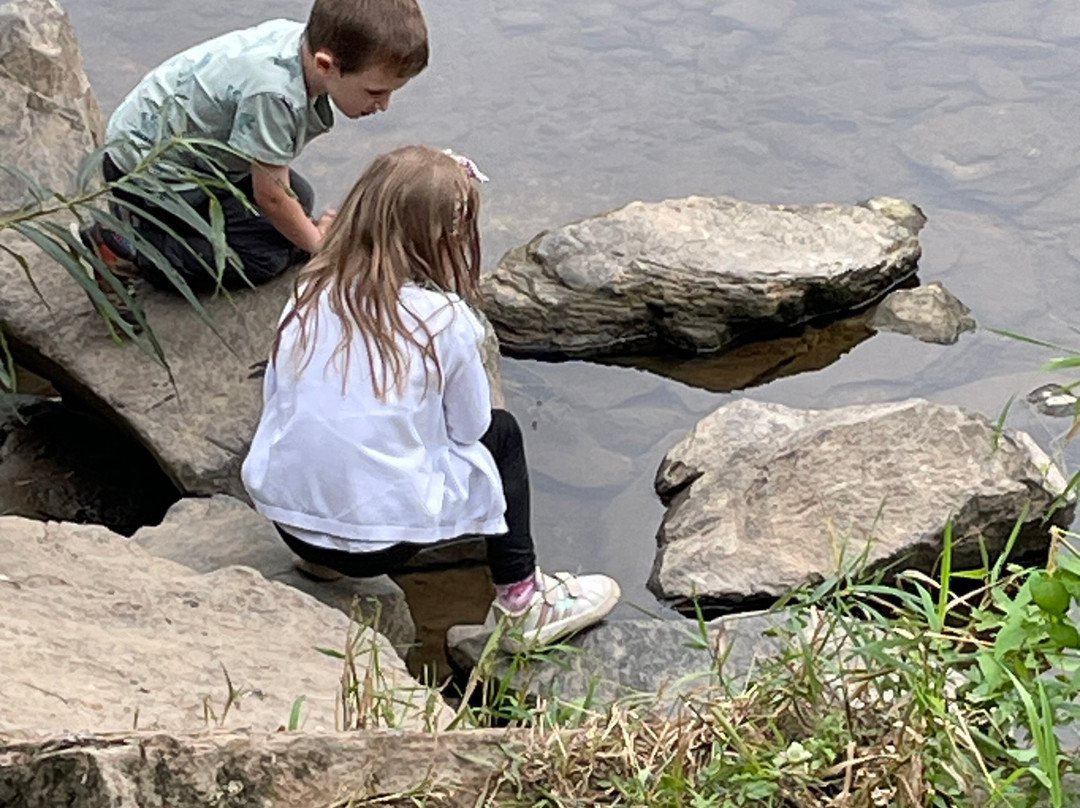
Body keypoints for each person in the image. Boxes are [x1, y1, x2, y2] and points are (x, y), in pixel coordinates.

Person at [241, 146, 621, 652]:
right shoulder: (444, 319)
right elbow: (470, 428)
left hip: (289, 522)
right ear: (447, 239)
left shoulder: (310, 291)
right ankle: (522, 599)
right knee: (503, 435)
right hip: (385, 546)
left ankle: (321, 559)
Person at [84, 0, 429, 297]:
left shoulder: (305, 42)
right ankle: (126, 249)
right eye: (375, 92)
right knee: (262, 258)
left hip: (191, 153)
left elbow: (278, 190)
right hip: (151, 173)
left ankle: (151, 228)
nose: (384, 105)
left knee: (301, 198)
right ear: (327, 65)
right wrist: (322, 248)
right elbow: (272, 197)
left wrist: (301, 231)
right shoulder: (274, 95)